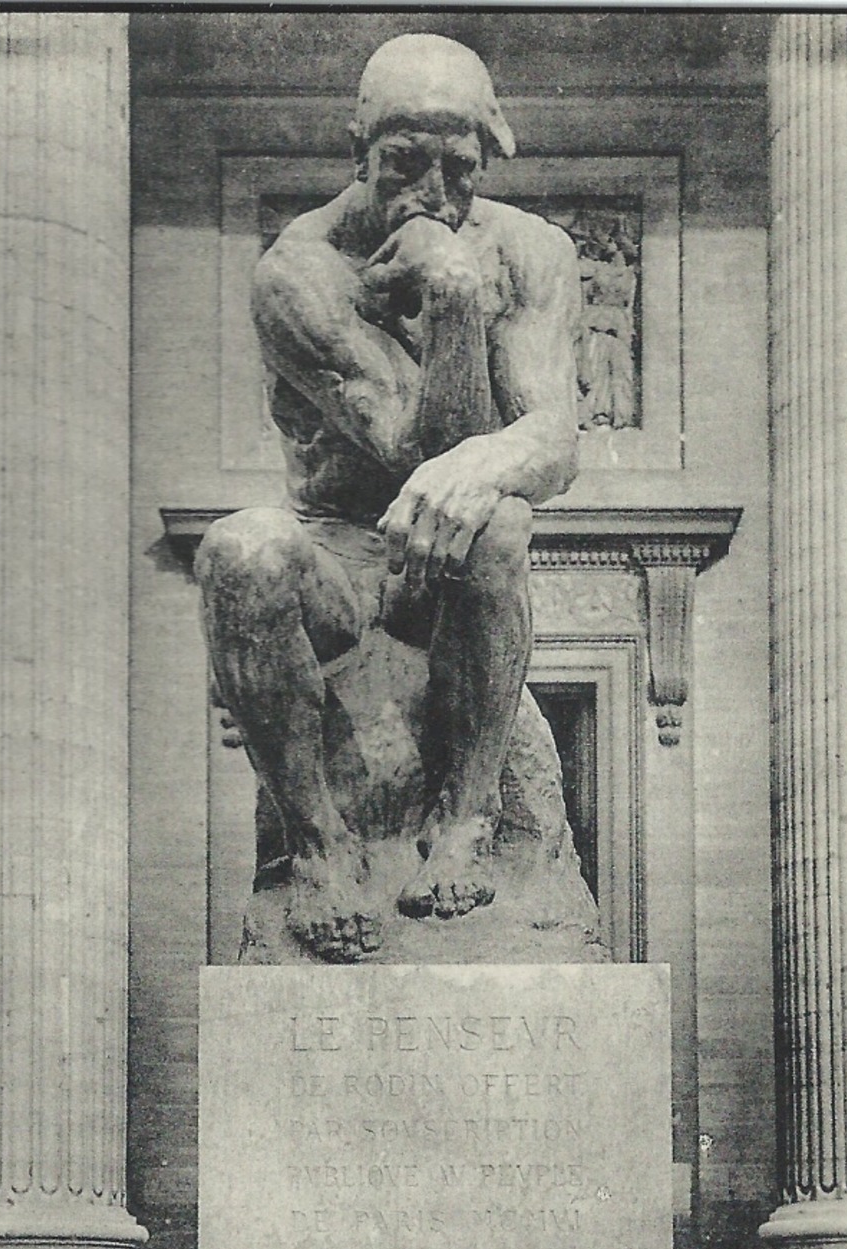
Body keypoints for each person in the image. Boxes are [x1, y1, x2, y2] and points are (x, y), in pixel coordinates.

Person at [196, 33, 581, 961]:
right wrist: (450, 299)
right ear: (358, 150)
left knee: (500, 521)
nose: (435, 197)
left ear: (488, 157)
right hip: (340, 562)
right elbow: (410, 444)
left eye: (459, 169)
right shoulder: (298, 270)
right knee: (240, 549)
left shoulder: (532, 250)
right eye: (405, 164)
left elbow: (553, 439)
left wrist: (482, 467)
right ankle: (319, 845)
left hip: (439, 585)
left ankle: (466, 815)